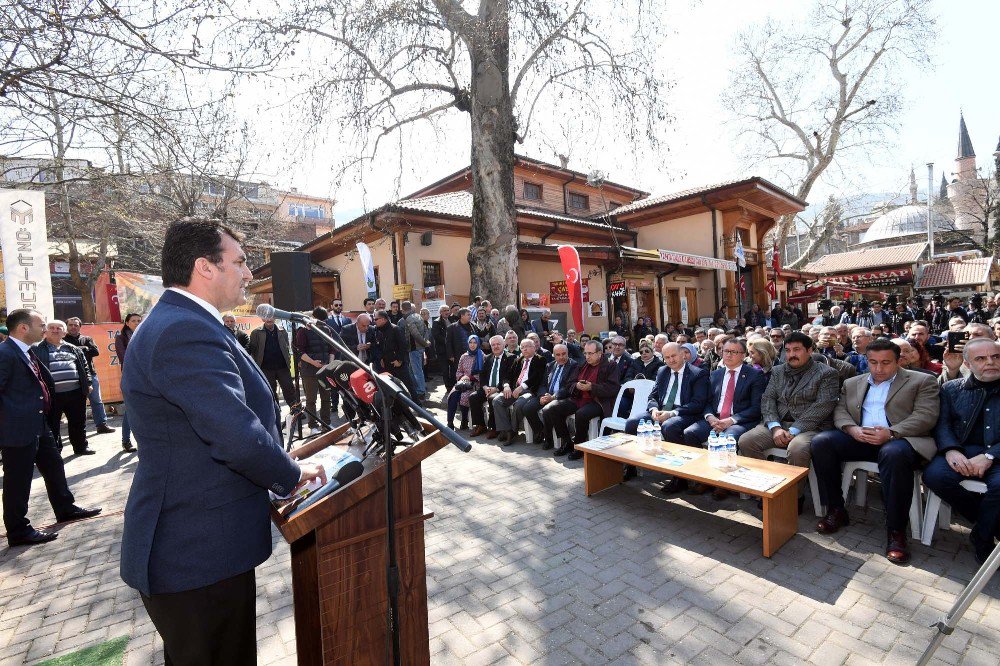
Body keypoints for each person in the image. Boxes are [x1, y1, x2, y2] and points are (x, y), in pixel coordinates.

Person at [120, 219, 326, 664]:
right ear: (204, 267)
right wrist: (291, 475)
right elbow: (234, 433)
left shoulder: (184, 321)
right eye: (240, 262)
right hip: (195, 552)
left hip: (200, 549)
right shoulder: (183, 329)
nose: (249, 274)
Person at [810, 338, 940, 564]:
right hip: (861, 438)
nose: (879, 369)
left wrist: (891, 432)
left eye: (886, 363)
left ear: (899, 361)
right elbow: (840, 411)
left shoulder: (922, 381)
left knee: (893, 454)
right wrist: (852, 429)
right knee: (822, 442)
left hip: (900, 441)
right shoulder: (853, 383)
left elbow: (925, 417)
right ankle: (836, 509)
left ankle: (896, 531)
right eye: (873, 362)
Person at [1, 309, 101, 547]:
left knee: (54, 467)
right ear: (24, 328)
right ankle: (18, 530)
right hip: (17, 429)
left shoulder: (26, 351)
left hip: (39, 423)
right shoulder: (5, 354)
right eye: (41, 325)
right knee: (18, 481)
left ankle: (65, 508)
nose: (44, 329)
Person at [738, 332, 840, 511]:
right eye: (787, 350)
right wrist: (775, 427)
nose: (791, 354)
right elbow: (768, 399)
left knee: (797, 448)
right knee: (747, 441)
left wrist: (794, 430)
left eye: (797, 350)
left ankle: (795, 497)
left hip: (810, 427)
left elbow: (823, 406)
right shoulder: (778, 371)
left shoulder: (827, 373)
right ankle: (767, 488)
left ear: (809, 350)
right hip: (778, 424)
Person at [923, 338, 1000, 563]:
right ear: (967, 363)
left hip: (996, 454)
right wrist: (950, 450)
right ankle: (989, 524)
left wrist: (990, 456)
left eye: (995, 357)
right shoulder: (951, 388)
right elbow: (942, 424)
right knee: (935, 476)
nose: (990, 362)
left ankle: (982, 538)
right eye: (981, 358)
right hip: (960, 450)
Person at [683, 339, 767, 498]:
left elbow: (757, 408)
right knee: (690, 433)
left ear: (743, 355)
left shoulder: (755, 375)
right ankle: (704, 478)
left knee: (727, 438)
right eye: (725, 351)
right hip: (715, 418)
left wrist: (731, 420)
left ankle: (724, 483)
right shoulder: (716, 374)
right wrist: (709, 417)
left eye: (733, 352)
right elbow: (707, 401)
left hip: (740, 421)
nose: (728, 354)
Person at [542, 340, 621, 460]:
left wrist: (592, 387)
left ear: (599, 353)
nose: (587, 356)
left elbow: (613, 388)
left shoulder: (610, 365)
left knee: (581, 414)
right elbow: (570, 383)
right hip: (578, 397)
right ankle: (567, 442)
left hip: (598, 401)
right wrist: (577, 386)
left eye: (590, 353)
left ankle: (579, 447)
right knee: (553, 408)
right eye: (586, 353)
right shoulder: (583, 364)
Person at [624, 342, 709, 441]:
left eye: (673, 356)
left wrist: (672, 413)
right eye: (667, 357)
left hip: (683, 413)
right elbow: (653, 396)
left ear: (682, 354)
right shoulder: (662, 371)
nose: (671, 360)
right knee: (632, 422)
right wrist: (654, 409)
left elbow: (698, 403)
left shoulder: (697, 374)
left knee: (669, 426)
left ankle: (675, 455)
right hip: (660, 411)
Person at [33, 320, 95, 455]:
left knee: (78, 422)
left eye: (59, 328)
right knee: (52, 424)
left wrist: (88, 383)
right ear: (45, 331)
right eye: (52, 328)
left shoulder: (74, 349)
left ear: (64, 332)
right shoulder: (36, 349)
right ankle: (55, 451)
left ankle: (81, 447)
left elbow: (85, 367)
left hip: (76, 393)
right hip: (51, 395)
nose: (55, 330)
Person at [522, 343, 580, 449]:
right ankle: (540, 432)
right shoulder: (550, 365)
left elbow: (568, 387)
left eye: (564, 354)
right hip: (547, 395)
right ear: (554, 355)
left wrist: (553, 397)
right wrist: (542, 396)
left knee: (547, 410)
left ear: (568, 353)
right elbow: (543, 384)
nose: (561, 357)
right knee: (528, 408)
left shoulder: (573, 365)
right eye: (558, 355)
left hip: (562, 397)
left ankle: (549, 438)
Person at [64, 316, 115, 435]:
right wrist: (84, 349)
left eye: (76, 325)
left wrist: (78, 349)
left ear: (80, 327)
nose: (73, 327)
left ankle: (102, 425)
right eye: (70, 325)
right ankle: (78, 430)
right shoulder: (63, 340)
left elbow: (95, 352)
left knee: (96, 400)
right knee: (75, 403)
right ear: (66, 327)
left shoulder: (87, 338)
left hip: (90, 374)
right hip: (71, 375)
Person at [492, 338, 547, 445]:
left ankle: (512, 431)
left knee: (518, 404)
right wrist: (507, 386)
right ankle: (506, 430)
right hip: (514, 390)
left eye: (527, 347)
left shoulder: (540, 359)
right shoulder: (518, 360)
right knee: (497, 400)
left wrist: (521, 387)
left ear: (534, 348)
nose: (524, 349)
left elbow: (536, 378)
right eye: (522, 347)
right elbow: (507, 376)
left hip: (530, 391)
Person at [249, 315, 300, 414]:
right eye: (267, 318)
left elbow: (286, 347)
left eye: (271, 317)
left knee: (289, 390)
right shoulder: (256, 332)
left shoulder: (282, 330)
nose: (269, 320)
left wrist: (288, 362)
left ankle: (295, 410)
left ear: (274, 319)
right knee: (271, 391)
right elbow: (253, 350)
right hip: (265, 368)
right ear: (263, 319)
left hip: (282, 367)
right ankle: (276, 412)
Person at [295, 307, 334, 433]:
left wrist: (330, 364)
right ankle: (313, 426)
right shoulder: (302, 331)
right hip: (309, 371)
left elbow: (331, 349)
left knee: (326, 398)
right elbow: (299, 351)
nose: (323, 322)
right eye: (320, 320)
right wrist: (313, 362)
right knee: (311, 400)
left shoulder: (327, 329)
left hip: (325, 370)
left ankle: (326, 424)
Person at [469, 335, 514, 438]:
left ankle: (494, 428)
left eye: (498, 344)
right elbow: (483, 375)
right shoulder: (488, 358)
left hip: (501, 389)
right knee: (473, 397)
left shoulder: (511, 358)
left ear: (504, 345)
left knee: (492, 398)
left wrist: (497, 388)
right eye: (493, 345)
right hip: (488, 388)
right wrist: (485, 387)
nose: (496, 346)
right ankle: (480, 425)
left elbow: (509, 376)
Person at [372, 309, 417, 398]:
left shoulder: (395, 329)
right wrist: (381, 358)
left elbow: (404, 346)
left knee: (408, 385)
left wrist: (399, 360)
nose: (374, 321)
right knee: (391, 386)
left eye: (376, 319)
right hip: (387, 364)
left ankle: (417, 405)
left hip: (398, 364)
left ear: (384, 319)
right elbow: (381, 346)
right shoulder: (379, 330)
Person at [115, 313, 142, 452]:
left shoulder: (145, 335)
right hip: (132, 377)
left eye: (139, 320)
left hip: (147, 377)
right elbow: (124, 357)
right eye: (133, 321)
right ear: (126, 323)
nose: (137, 323)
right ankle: (126, 441)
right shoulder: (121, 338)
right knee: (130, 410)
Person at [447, 335, 482, 431]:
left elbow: (482, 373)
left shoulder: (481, 356)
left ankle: (464, 420)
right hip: (462, 382)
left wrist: (470, 378)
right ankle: (450, 422)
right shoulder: (464, 356)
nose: (472, 345)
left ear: (478, 343)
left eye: (475, 342)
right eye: (470, 342)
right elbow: (458, 371)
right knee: (453, 394)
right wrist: (462, 378)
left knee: (464, 395)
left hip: (475, 383)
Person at [400, 300, 430, 400]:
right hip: (419, 348)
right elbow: (426, 330)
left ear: (402, 309)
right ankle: (417, 389)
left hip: (414, 349)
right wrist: (425, 342)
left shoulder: (409, 319)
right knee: (413, 371)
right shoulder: (418, 316)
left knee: (417, 371)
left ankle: (420, 392)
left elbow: (415, 334)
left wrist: (424, 344)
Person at [445, 308, 474, 392]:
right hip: (458, 355)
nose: (470, 316)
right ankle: (457, 391)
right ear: (462, 316)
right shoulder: (452, 327)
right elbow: (448, 342)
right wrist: (450, 355)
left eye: (470, 315)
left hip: (471, 355)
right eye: (468, 315)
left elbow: (479, 334)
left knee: (470, 373)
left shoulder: (472, 325)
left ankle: (469, 389)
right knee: (458, 374)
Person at [432, 305, 451, 384]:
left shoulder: (451, 320)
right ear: (440, 312)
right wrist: (448, 341)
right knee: (445, 370)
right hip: (442, 350)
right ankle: (448, 386)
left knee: (453, 368)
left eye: (447, 310)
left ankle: (453, 384)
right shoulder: (437, 322)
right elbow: (436, 336)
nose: (446, 312)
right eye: (444, 311)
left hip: (451, 349)